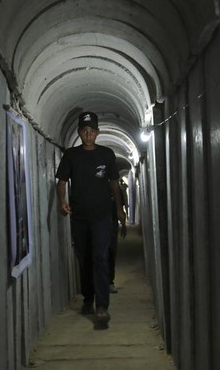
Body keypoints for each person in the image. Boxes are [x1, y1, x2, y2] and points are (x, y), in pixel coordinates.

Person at [56, 112, 127, 326]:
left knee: (99, 257)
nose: (88, 135)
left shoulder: (106, 155)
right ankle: (88, 297)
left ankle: (102, 306)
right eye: (84, 131)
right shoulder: (71, 156)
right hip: (80, 217)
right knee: (84, 258)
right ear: (79, 133)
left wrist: (119, 209)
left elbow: (114, 183)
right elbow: (62, 181)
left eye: (92, 131)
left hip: (102, 216)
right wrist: (62, 200)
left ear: (97, 133)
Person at [108, 181, 127, 294]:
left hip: (112, 225)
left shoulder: (117, 189)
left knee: (111, 252)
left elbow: (121, 209)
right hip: (100, 223)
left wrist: (123, 225)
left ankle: (110, 282)